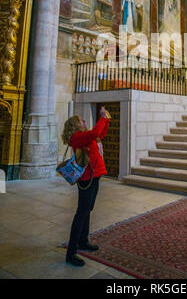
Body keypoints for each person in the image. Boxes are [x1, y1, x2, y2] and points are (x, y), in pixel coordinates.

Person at [62, 107, 110, 267]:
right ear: (75, 126)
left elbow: (100, 135)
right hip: (86, 179)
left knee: (87, 209)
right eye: (81, 120)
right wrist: (102, 117)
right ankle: (71, 253)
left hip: (95, 175)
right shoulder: (77, 137)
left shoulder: (86, 136)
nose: (84, 121)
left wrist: (107, 120)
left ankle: (83, 241)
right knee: (81, 213)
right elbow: (95, 133)